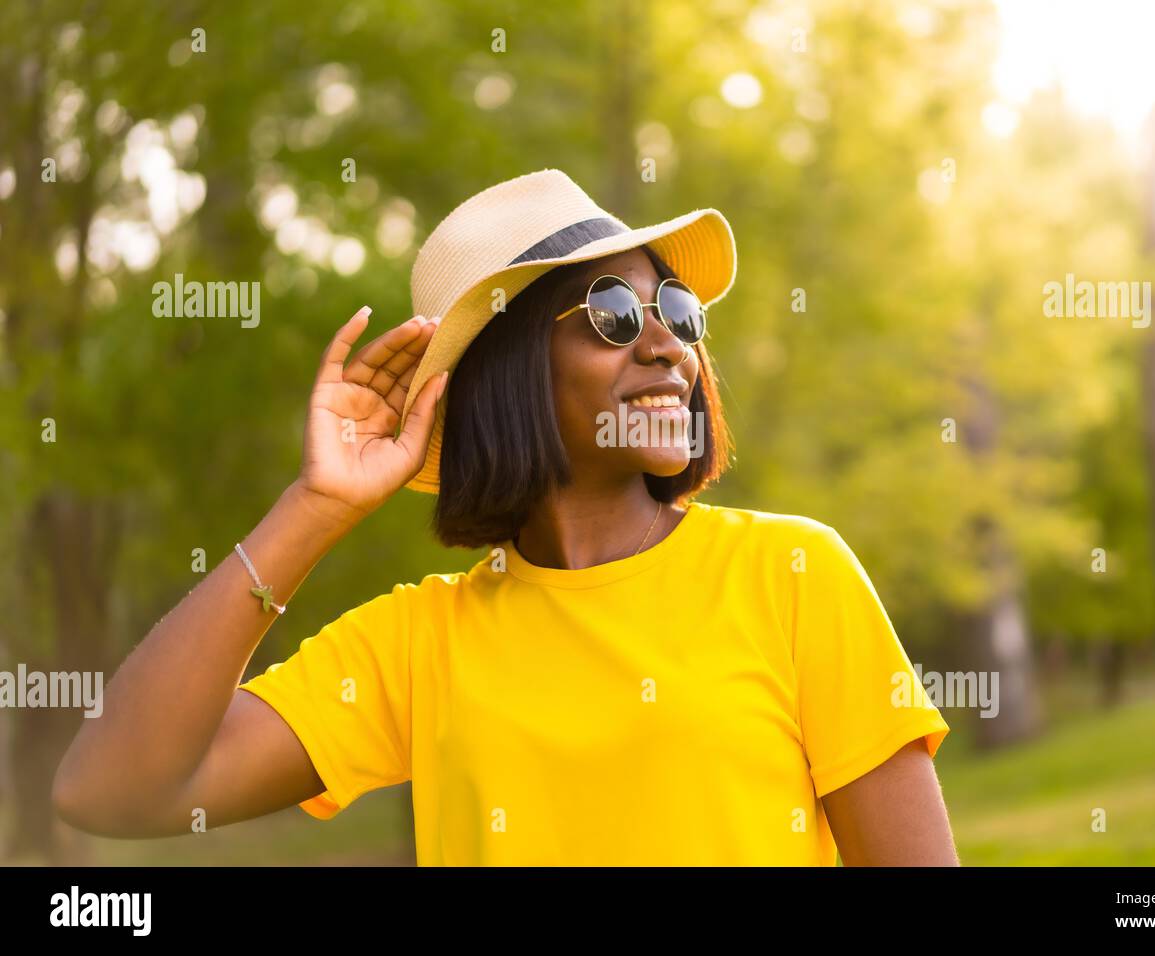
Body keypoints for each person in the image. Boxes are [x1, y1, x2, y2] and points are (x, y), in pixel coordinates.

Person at [53, 169, 957, 866]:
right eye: (610, 314)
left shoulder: (794, 574)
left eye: (679, 313)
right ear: (507, 364)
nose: (665, 344)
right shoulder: (419, 643)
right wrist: (314, 510)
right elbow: (114, 791)